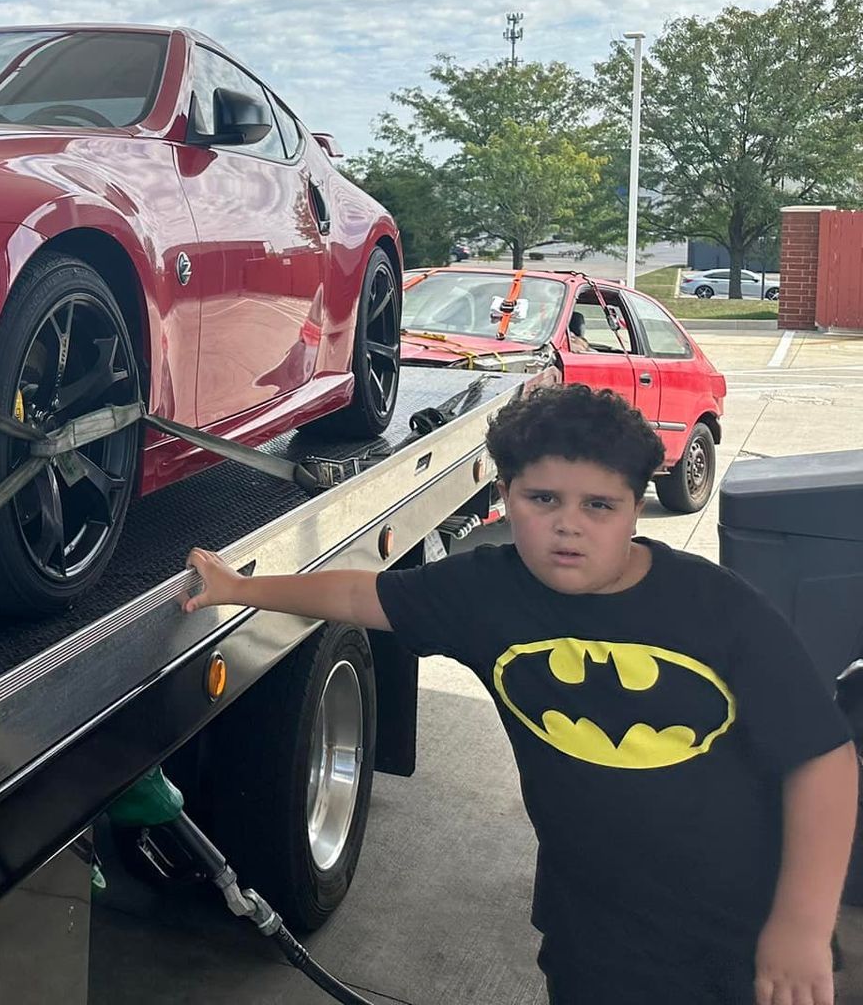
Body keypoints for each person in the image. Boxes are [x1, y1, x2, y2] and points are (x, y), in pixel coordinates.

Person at [184, 383, 857, 1005]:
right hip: (594, 932)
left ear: (635, 505)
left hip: (742, 931)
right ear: (506, 493)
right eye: (544, 500)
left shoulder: (717, 610)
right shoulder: (487, 593)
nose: (570, 525)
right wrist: (240, 587)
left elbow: (824, 760)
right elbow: (360, 594)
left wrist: (800, 925)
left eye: (599, 505)